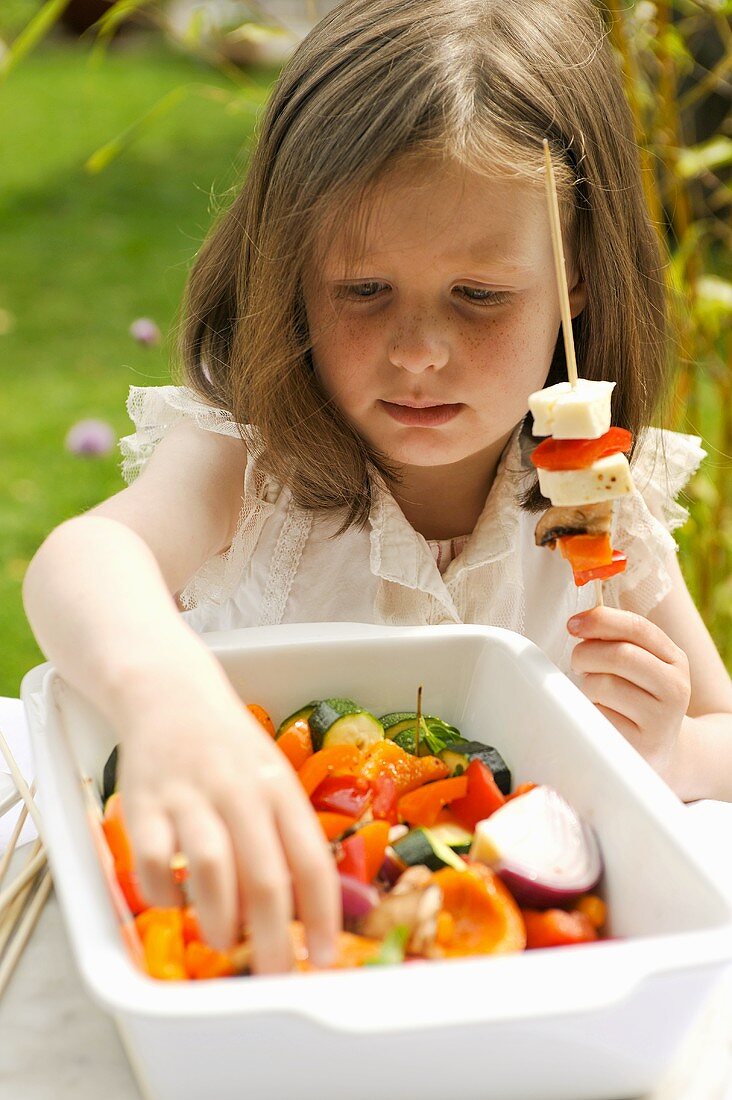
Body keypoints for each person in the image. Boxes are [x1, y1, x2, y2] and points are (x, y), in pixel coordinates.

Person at [23, 0, 732, 975]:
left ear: (577, 277)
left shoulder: (601, 498)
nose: (418, 353)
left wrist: (678, 757)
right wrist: (168, 698)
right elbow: (86, 557)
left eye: (479, 296)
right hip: (256, 940)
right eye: (363, 290)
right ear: (293, 268)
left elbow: (720, 731)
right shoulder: (248, 463)